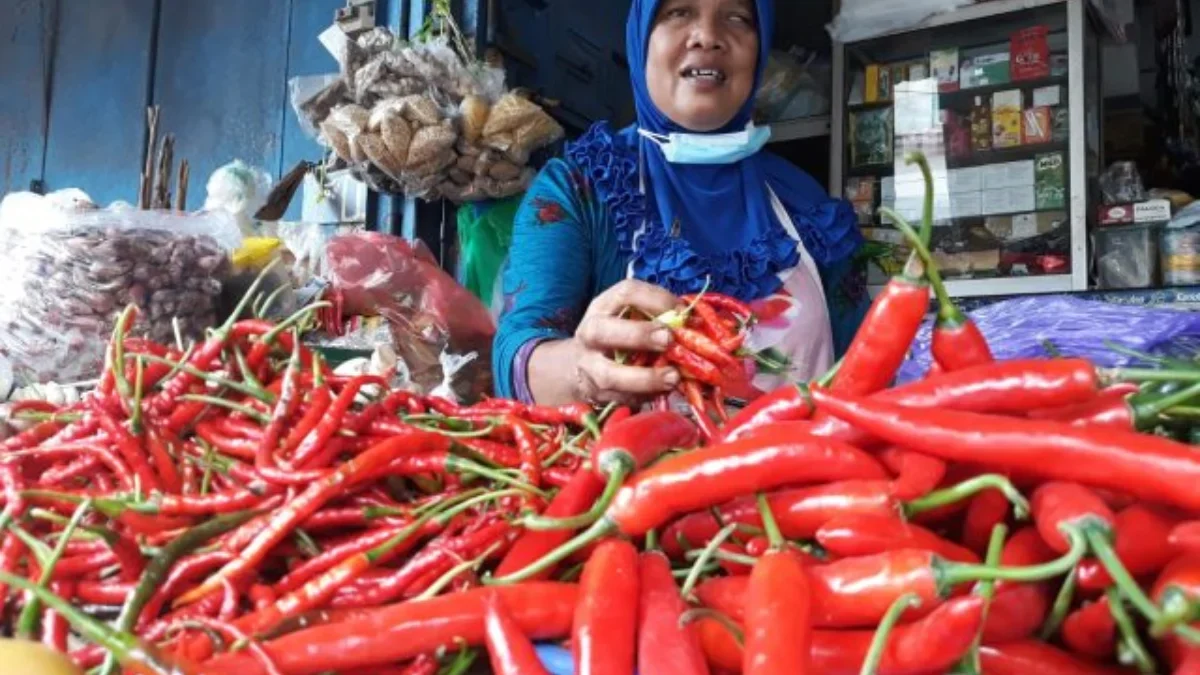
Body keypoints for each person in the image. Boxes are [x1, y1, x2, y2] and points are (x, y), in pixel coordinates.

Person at [493, 0, 867, 406]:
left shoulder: (808, 206)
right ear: (641, 39)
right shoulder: (582, 187)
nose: (707, 36)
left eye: (737, 18)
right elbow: (514, 357)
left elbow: (864, 372)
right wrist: (580, 371)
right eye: (678, 12)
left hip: (806, 449)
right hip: (635, 450)